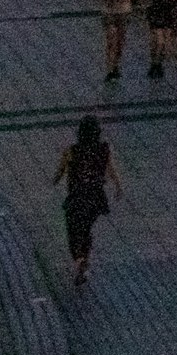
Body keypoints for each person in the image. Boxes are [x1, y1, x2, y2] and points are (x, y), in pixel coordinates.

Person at [52, 114, 120, 285]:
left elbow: (60, 171)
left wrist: (54, 180)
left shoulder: (72, 151)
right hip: (96, 197)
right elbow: (111, 170)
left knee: (73, 230)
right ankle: (85, 259)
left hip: (77, 198)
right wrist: (119, 187)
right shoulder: (105, 149)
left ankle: (80, 260)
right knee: (86, 228)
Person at [95, 0, 139, 82]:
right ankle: (111, 69)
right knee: (113, 40)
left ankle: (114, 67)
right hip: (115, 11)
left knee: (117, 41)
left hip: (118, 11)